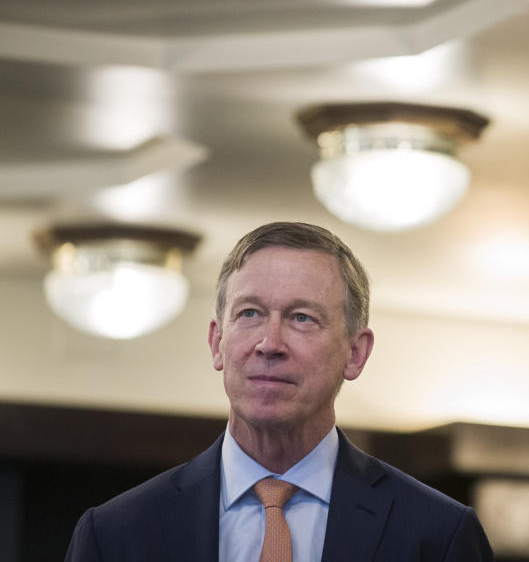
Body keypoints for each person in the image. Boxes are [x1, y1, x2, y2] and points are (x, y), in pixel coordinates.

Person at [65, 221, 494, 562]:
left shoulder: (436, 535)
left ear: (356, 353)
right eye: (249, 313)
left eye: (302, 318)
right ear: (217, 343)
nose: (269, 343)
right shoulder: (117, 533)